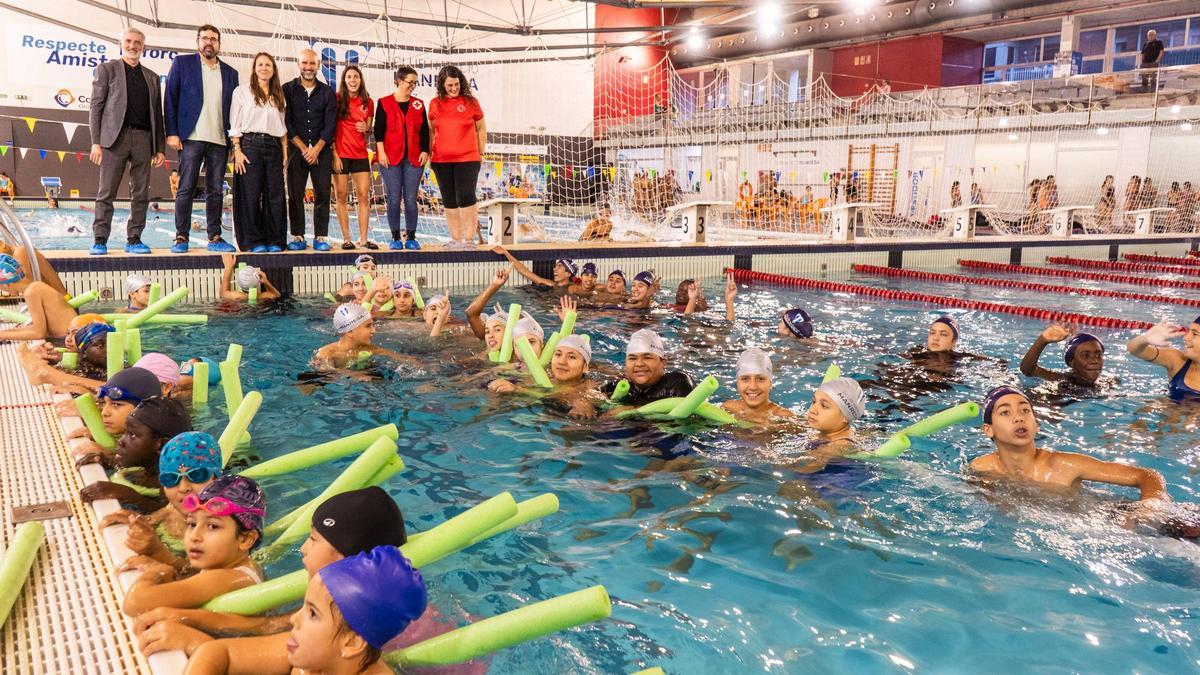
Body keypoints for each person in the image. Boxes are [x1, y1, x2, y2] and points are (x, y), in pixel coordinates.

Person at [135, 486, 410, 656]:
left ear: (345, 557)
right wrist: (191, 619)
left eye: (313, 539)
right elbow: (272, 626)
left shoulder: (363, 617)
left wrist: (196, 640)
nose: (302, 548)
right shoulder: (332, 599)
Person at [181, 546, 426, 674]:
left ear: (351, 642)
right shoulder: (311, 653)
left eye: (312, 613)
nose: (295, 619)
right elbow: (218, 652)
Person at [970, 386, 1168, 501]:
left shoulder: (1063, 465)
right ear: (988, 429)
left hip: (1115, 517)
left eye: (1025, 411)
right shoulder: (981, 468)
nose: (1019, 418)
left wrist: (1152, 505)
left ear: (1036, 425)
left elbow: (1147, 474)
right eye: (1005, 412)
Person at [123, 474, 266, 616]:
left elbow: (134, 603)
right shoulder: (236, 567)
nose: (194, 536)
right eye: (192, 524)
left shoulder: (226, 578)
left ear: (245, 539)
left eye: (213, 526)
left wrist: (157, 572)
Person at [87, 27, 165, 256]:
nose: (133, 46)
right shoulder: (107, 70)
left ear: (143, 47)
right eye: (129, 41)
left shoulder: (151, 77)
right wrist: (95, 141)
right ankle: (100, 239)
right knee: (106, 192)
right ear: (121, 43)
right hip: (114, 138)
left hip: (143, 138)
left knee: (140, 193)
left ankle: (134, 239)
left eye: (138, 42)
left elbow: (157, 114)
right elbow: (96, 106)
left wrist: (159, 148)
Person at [164, 24, 239, 254]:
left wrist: (234, 142)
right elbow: (170, 97)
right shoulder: (182, 64)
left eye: (213, 39)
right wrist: (172, 132)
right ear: (198, 42)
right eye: (205, 38)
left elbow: (235, 110)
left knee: (216, 190)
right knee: (186, 187)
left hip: (219, 139)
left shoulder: (230, 73)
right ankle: (181, 236)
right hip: (191, 137)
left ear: (219, 44)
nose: (209, 42)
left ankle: (214, 236)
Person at [99, 431, 222, 570]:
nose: (183, 488)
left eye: (197, 475)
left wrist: (162, 556)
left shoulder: (227, 523)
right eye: (171, 479)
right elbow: (152, 520)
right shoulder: (172, 508)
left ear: (217, 479)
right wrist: (137, 521)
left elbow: (213, 576)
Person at [78, 397, 191, 512]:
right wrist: (109, 461)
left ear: (161, 444)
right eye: (125, 432)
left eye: (132, 435)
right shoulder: (147, 470)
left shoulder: (179, 482)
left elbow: (169, 514)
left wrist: (131, 497)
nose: (121, 441)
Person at [229, 52, 288, 253]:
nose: (264, 68)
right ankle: (253, 241)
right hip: (249, 145)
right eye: (260, 64)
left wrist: (285, 152)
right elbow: (234, 123)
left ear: (273, 70)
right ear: (254, 68)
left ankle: (275, 240)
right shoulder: (242, 92)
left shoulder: (278, 94)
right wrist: (237, 150)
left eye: (268, 65)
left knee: (275, 195)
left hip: (274, 147)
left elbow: (282, 127)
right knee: (250, 194)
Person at [282, 49, 336, 252]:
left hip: (322, 150)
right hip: (297, 149)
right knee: (295, 195)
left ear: (318, 65)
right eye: (305, 63)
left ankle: (320, 236)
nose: (308, 67)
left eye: (312, 63)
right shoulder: (287, 89)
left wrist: (317, 149)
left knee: (322, 194)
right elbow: (287, 121)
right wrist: (305, 148)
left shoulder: (328, 92)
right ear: (298, 64)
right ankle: (297, 235)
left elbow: (330, 125)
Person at [429, 65, 486, 250]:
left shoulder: (471, 102)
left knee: (466, 196)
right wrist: (431, 153)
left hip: (468, 159)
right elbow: (431, 130)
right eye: (449, 85)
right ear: (442, 85)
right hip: (440, 160)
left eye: (456, 84)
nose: (454, 88)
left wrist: (481, 153)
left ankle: (469, 240)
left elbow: (481, 128)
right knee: (449, 199)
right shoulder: (435, 104)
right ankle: (455, 239)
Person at [375, 66, 430, 250]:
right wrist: (381, 152)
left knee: (410, 198)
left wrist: (425, 150)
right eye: (410, 82)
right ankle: (395, 237)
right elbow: (379, 131)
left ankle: (411, 237)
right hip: (390, 158)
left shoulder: (418, 104)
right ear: (399, 80)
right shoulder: (383, 103)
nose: (413, 86)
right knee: (393, 198)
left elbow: (424, 131)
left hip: (414, 158)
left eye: (415, 82)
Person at [331, 65, 375, 251]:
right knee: (341, 196)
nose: (353, 80)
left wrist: (367, 128)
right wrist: (334, 154)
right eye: (349, 77)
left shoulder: (368, 101)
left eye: (355, 76)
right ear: (344, 80)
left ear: (360, 79)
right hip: (340, 154)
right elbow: (329, 128)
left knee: (364, 196)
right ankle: (347, 238)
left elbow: (368, 127)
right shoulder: (337, 99)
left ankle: (363, 239)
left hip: (359, 154)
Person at [599, 329, 693, 407]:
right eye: (632, 358)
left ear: (664, 362)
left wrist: (632, 411)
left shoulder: (677, 383)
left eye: (647, 358)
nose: (639, 364)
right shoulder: (617, 387)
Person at [312, 303, 411, 370]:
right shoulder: (326, 353)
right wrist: (355, 375)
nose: (374, 330)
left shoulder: (370, 349)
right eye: (368, 326)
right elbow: (324, 375)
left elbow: (402, 358)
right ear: (350, 331)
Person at [0, 259, 76, 341]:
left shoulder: (31, 293)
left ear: (6, 284)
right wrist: (5, 332)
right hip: (75, 336)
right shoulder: (36, 286)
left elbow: (39, 333)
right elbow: (38, 328)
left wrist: (3, 336)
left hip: (70, 339)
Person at [1127, 318, 1200, 400]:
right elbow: (1134, 350)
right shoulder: (1178, 360)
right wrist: (1145, 339)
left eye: (1194, 334)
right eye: (1188, 331)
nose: (1186, 338)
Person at [720, 348, 795, 425]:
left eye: (760, 379)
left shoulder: (784, 417)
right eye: (745, 379)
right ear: (737, 383)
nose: (753, 387)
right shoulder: (729, 408)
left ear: (770, 383)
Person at [1020, 324, 1106, 387]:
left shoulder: (1109, 382)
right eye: (1086, 356)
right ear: (1071, 362)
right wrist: (1042, 340)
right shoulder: (1062, 379)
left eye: (1098, 355)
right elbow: (1028, 370)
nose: (1094, 361)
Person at [492, 246, 574, 290]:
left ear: (568, 273)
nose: (554, 269)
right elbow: (525, 272)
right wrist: (506, 253)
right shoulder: (552, 284)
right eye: (556, 266)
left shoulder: (572, 288)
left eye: (560, 266)